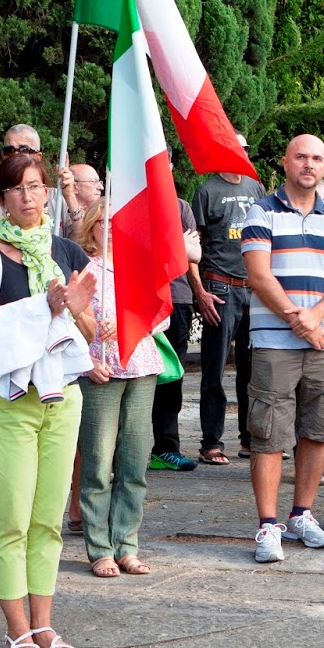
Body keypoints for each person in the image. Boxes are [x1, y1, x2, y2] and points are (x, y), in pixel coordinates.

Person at [0, 152, 97, 648]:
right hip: (12, 400)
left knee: (48, 521)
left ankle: (43, 625)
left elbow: (90, 332)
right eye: (17, 187)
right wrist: (47, 306)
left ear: (49, 193)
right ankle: (16, 631)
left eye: (37, 186)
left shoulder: (66, 251)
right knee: (13, 520)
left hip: (62, 397)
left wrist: (76, 311)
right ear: (1, 197)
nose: (28, 196)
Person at [241, 134, 324, 562]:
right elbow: (259, 275)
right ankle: (268, 526)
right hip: (275, 341)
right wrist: (301, 321)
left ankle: (302, 515)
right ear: (285, 162)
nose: (309, 164)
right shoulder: (261, 211)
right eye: (301, 157)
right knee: (269, 432)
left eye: (316, 158)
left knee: (319, 427)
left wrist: (317, 316)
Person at [75, 199, 163, 576]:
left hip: (141, 367)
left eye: (117, 222)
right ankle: (99, 548)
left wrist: (131, 323)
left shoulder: (140, 264)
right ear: (90, 227)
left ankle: (126, 543)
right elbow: (66, 320)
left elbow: (162, 316)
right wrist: (86, 358)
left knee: (135, 459)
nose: (110, 229)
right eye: (103, 222)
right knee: (97, 460)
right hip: (100, 370)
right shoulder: (82, 268)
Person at [190, 138, 267, 465]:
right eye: (236, 149)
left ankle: (250, 439)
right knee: (215, 367)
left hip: (254, 288)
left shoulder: (256, 187)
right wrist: (199, 291)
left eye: (246, 149)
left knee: (253, 369)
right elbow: (192, 247)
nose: (243, 154)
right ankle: (211, 442)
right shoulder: (207, 191)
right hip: (220, 286)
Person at [149, 199, 202, 471]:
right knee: (132, 378)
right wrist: (175, 243)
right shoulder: (127, 196)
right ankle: (119, 452)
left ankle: (166, 448)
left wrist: (171, 245)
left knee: (172, 377)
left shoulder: (180, 207)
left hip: (177, 298)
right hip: (140, 298)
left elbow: (194, 253)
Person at [0, 124, 81, 234]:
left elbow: (83, 241)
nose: (15, 155)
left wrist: (70, 197)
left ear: (38, 156)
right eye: (9, 150)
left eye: (24, 149)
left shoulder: (58, 198)